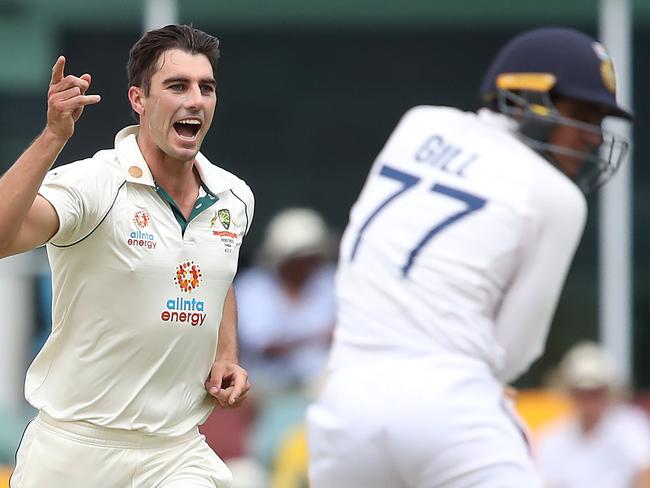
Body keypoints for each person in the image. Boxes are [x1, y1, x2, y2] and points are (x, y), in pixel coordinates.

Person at [306, 27, 632, 488]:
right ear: (526, 101)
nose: (594, 139)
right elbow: (513, 352)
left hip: (343, 409)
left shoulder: (419, 123)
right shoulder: (558, 197)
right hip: (451, 408)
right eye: (585, 115)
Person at [0, 24, 254, 488]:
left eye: (206, 87)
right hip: (74, 449)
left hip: (175, 451)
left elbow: (219, 268)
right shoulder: (93, 183)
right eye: (177, 86)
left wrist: (226, 353)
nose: (194, 99)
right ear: (139, 100)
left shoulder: (233, 196)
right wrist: (53, 137)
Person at [537, 342, 650, 488]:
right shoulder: (552, 436)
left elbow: (645, 475)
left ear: (609, 393)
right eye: (582, 394)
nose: (588, 402)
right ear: (570, 394)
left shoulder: (631, 427)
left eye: (595, 393)